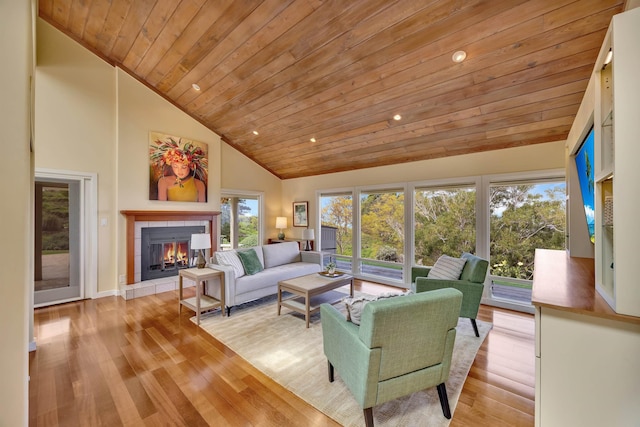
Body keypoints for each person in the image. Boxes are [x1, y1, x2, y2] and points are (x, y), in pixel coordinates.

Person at [150, 137, 208, 202]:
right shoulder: (163, 181)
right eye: (175, 166)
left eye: (184, 167)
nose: (179, 171)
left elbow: (202, 208)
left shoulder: (199, 184)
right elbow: (162, 208)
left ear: (191, 166)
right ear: (171, 165)